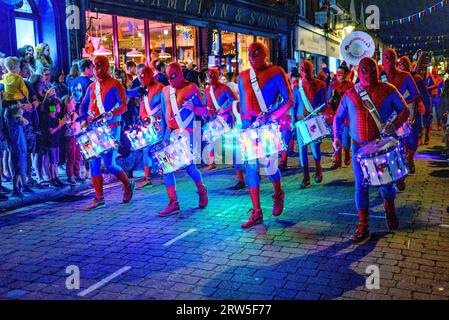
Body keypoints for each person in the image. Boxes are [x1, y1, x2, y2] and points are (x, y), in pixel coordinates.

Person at [333, 57, 410, 242]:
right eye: (364, 70)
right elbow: (338, 118)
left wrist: (395, 124)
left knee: (387, 185)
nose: (368, 74)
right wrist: (336, 137)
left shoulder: (388, 90)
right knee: (361, 186)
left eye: (372, 70)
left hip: (382, 146)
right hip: (358, 147)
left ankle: (389, 205)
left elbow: (405, 110)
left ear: (378, 70)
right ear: (358, 71)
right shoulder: (350, 94)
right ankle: (363, 224)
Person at [237, 42, 293, 228]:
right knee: (251, 168)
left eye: (256, 53)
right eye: (250, 54)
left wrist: (272, 115)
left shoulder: (276, 72)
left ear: (264, 54)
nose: (252, 58)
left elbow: (289, 101)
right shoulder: (242, 76)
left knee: (269, 167)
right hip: (248, 129)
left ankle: (278, 193)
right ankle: (257, 212)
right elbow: (242, 103)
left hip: (267, 127)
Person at [80, 55, 135, 210]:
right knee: (94, 162)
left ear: (105, 66)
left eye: (99, 66)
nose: (96, 69)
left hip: (111, 127)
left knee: (110, 164)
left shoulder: (115, 84)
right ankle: (99, 198)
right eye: (94, 66)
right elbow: (83, 105)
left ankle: (127, 183)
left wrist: (112, 114)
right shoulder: (92, 87)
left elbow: (124, 106)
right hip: (94, 129)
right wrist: (83, 118)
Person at [158, 62, 208, 216]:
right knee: (166, 167)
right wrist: (163, 136)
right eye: (168, 76)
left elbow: (204, 111)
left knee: (189, 166)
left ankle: (201, 189)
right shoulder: (165, 91)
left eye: (173, 75)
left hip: (188, 132)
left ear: (180, 74)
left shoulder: (191, 88)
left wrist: (193, 108)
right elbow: (163, 114)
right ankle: (173, 202)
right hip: (171, 133)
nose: (171, 79)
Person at [381, 48, 420, 191]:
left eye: (391, 59)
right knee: (385, 149)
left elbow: (415, 94)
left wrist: (401, 102)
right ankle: (387, 179)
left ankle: (400, 175)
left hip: (401, 116)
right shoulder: (380, 77)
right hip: (385, 119)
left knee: (400, 148)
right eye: (386, 60)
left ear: (395, 61)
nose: (388, 63)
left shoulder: (405, 76)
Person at [126, 66, 164, 189]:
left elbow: (165, 106)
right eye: (140, 76)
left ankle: (164, 174)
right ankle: (148, 177)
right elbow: (128, 93)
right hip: (146, 124)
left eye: (143, 76)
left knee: (158, 149)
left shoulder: (160, 88)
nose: (142, 79)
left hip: (157, 124)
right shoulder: (143, 88)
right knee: (146, 150)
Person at [296, 60, 327, 189]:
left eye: (307, 68)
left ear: (312, 69)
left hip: (314, 120)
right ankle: (306, 176)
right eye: (303, 68)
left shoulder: (320, 85)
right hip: (301, 120)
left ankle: (318, 169)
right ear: (300, 70)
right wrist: (294, 121)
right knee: (302, 149)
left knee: (315, 148)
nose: (305, 71)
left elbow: (324, 102)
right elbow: (295, 105)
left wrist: (320, 111)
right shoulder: (296, 86)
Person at [204, 67, 240, 175]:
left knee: (229, 141)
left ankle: (234, 160)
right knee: (210, 140)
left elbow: (236, 101)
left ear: (218, 76)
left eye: (213, 75)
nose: (211, 78)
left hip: (225, 119)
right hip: (212, 118)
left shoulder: (225, 89)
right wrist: (206, 114)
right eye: (209, 76)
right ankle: (211, 162)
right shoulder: (207, 90)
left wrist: (226, 109)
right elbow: (206, 104)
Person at [397, 56, 429, 173]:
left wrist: (425, 109)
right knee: (399, 140)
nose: (403, 65)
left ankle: (410, 159)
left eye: (405, 63)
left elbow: (424, 96)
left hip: (413, 114)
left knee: (412, 139)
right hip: (398, 115)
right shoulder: (394, 78)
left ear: (410, 65)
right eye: (400, 63)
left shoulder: (417, 79)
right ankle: (401, 163)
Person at [328, 64, 354, 169]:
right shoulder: (332, 85)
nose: (338, 75)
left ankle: (347, 155)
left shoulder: (351, 85)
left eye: (341, 73)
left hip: (347, 116)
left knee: (346, 137)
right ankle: (337, 160)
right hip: (335, 116)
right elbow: (328, 99)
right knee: (335, 137)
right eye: (337, 72)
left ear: (347, 74)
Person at [4, 104, 33, 197]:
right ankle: (15, 189)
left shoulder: (14, 119)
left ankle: (24, 185)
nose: (23, 112)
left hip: (21, 146)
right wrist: (20, 115)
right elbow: (26, 122)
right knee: (18, 169)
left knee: (22, 167)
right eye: (21, 111)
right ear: (16, 113)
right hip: (17, 147)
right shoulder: (14, 120)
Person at [44, 98, 66, 188]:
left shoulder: (56, 117)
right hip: (51, 142)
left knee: (56, 161)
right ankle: (52, 179)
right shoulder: (49, 118)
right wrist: (59, 125)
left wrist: (62, 124)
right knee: (53, 161)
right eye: (58, 106)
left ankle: (56, 178)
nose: (59, 107)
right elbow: (51, 131)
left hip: (57, 141)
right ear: (53, 107)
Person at [62, 95, 83, 184]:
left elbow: (78, 126)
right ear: (67, 103)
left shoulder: (74, 113)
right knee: (71, 157)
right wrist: (73, 120)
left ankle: (77, 173)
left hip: (77, 136)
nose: (75, 104)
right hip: (70, 137)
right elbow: (69, 127)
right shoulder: (66, 115)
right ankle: (70, 176)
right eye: (73, 102)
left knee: (78, 156)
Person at [426, 66, 445, 133]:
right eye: (434, 72)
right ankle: (430, 125)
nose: (435, 73)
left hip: (437, 97)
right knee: (429, 111)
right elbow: (426, 86)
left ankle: (439, 124)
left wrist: (441, 94)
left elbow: (443, 88)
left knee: (438, 112)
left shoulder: (441, 79)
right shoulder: (429, 79)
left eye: (436, 72)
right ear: (432, 72)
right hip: (430, 97)